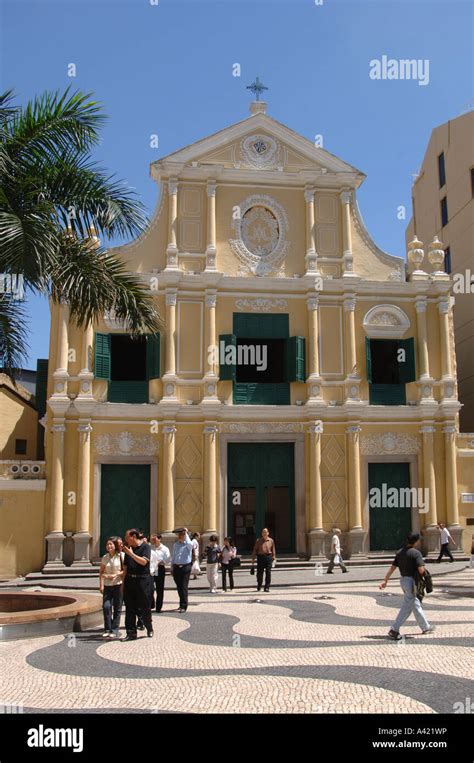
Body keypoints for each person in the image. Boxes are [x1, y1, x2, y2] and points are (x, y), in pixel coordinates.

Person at [379, 532, 435, 640]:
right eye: (419, 540)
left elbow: (392, 567)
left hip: (403, 580)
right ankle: (394, 629)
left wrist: (385, 580)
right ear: (416, 541)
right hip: (412, 582)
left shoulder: (400, 552)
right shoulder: (416, 553)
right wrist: (427, 577)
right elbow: (421, 569)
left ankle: (425, 627)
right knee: (408, 606)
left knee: (415, 603)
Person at [122, 528, 153, 640]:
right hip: (130, 580)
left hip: (143, 581)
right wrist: (123, 584)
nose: (125, 539)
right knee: (129, 608)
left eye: (127, 537)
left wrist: (130, 554)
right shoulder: (128, 550)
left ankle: (149, 627)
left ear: (133, 537)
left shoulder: (145, 547)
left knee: (145, 607)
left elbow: (144, 562)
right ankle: (131, 633)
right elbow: (125, 568)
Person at [99, 538, 124, 638]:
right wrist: (101, 585)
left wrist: (116, 574)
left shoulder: (122, 556)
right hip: (107, 585)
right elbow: (101, 572)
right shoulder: (105, 557)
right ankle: (107, 629)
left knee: (117, 608)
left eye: (111, 544)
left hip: (118, 584)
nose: (109, 546)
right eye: (107, 545)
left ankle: (114, 629)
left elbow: (125, 570)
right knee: (106, 607)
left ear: (115, 546)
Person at [171, 527, 193, 612]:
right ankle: (181, 604)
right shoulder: (176, 544)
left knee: (184, 586)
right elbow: (174, 556)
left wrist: (186, 533)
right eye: (179, 535)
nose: (180, 536)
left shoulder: (188, 544)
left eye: (182, 535)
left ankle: (184, 606)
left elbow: (190, 544)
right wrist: (172, 566)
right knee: (179, 587)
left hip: (185, 567)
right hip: (176, 567)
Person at [150, 533, 170, 613]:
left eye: (155, 539)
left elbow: (167, 560)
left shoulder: (165, 549)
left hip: (160, 568)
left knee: (160, 588)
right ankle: (152, 604)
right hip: (152, 568)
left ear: (159, 539)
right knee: (150, 587)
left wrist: (161, 561)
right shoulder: (151, 548)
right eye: (152, 539)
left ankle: (159, 607)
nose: (153, 541)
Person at [251, 528, 276, 592]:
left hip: (268, 557)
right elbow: (255, 549)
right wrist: (253, 558)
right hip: (260, 557)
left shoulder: (271, 540)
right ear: (262, 534)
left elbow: (273, 550)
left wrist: (274, 557)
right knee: (260, 573)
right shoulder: (258, 540)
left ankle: (267, 587)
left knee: (268, 572)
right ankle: (259, 585)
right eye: (263, 532)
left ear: (268, 533)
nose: (264, 533)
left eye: (266, 532)